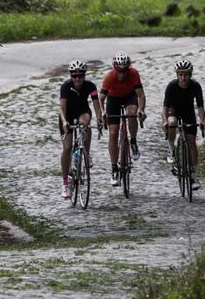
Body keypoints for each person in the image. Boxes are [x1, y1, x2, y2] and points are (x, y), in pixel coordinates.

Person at [98, 52, 145, 184]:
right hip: (113, 99)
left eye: (124, 71)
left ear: (128, 68)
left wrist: (141, 110)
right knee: (113, 133)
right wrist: (102, 113)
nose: (122, 74)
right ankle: (114, 169)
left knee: (131, 113)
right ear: (114, 68)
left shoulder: (134, 73)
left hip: (130, 96)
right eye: (119, 71)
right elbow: (101, 99)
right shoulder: (109, 77)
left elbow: (140, 95)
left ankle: (133, 142)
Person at [58, 61, 98, 199]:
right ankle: (65, 182)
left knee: (84, 123)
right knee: (67, 147)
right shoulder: (65, 87)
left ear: (84, 75)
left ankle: (86, 152)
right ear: (71, 76)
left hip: (82, 112)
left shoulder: (90, 86)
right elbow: (61, 108)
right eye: (74, 76)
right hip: (67, 116)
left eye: (80, 76)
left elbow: (96, 105)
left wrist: (100, 120)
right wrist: (64, 122)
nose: (77, 79)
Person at [162, 59, 205, 173]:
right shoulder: (171, 86)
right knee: (172, 122)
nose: (183, 78)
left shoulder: (196, 86)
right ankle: (171, 149)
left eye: (186, 74)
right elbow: (165, 108)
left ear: (190, 75)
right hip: (174, 109)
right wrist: (165, 121)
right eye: (180, 75)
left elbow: (200, 106)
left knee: (191, 141)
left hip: (188, 111)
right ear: (177, 75)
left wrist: (202, 120)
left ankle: (193, 173)